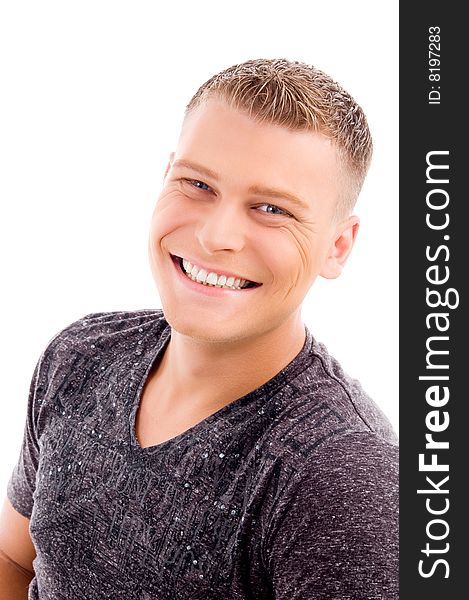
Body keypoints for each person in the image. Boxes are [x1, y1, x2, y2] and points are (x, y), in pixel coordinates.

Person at [0, 58, 398, 599]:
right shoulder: (79, 355)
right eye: (198, 184)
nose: (216, 236)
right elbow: (13, 557)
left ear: (338, 246)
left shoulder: (344, 477)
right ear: (166, 175)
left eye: (271, 208)